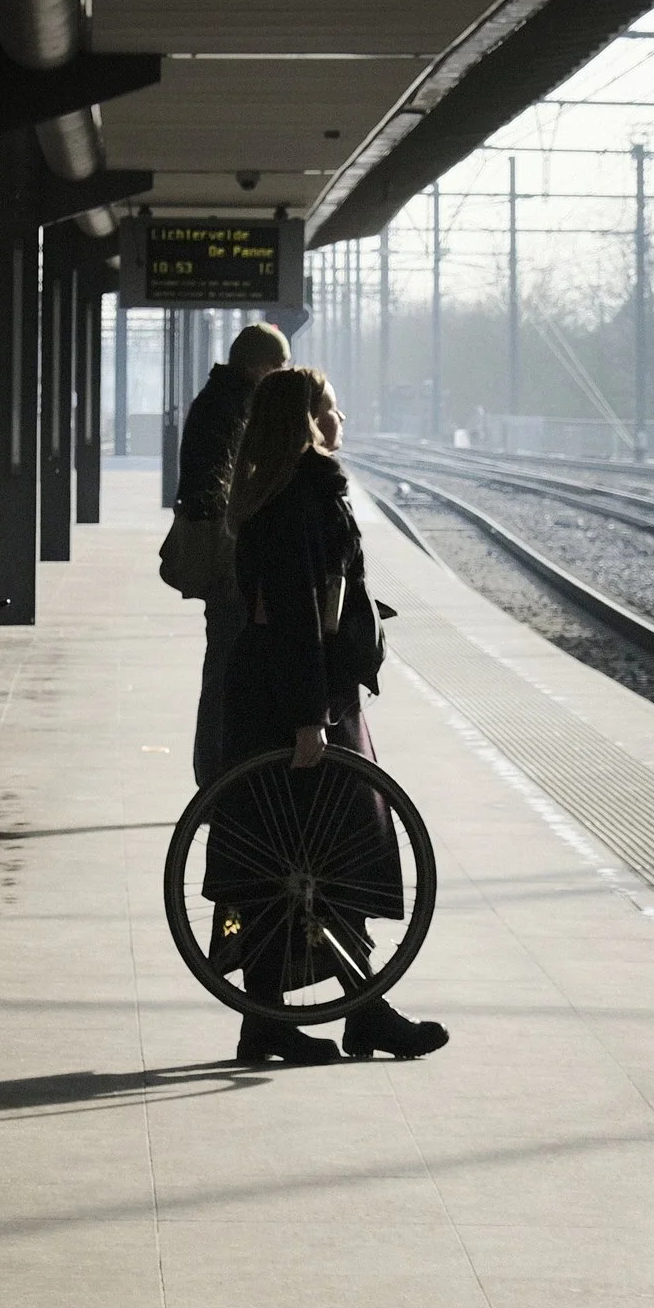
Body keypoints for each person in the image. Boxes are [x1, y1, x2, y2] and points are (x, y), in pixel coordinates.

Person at [212, 366, 450, 1065]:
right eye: (332, 409)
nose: (341, 420)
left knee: (281, 861)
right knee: (324, 857)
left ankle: (280, 1018)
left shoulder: (271, 492)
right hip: (300, 697)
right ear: (308, 422)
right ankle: (353, 1014)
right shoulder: (301, 499)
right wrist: (309, 716)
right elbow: (296, 613)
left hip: (274, 689)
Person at [177, 322, 291, 784]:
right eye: (278, 365)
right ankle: (218, 774)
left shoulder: (217, 399)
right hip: (227, 559)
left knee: (222, 663)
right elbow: (228, 489)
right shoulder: (235, 406)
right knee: (228, 667)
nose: (281, 374)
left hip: (221, 553)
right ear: (258, 365)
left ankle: (216, 772)